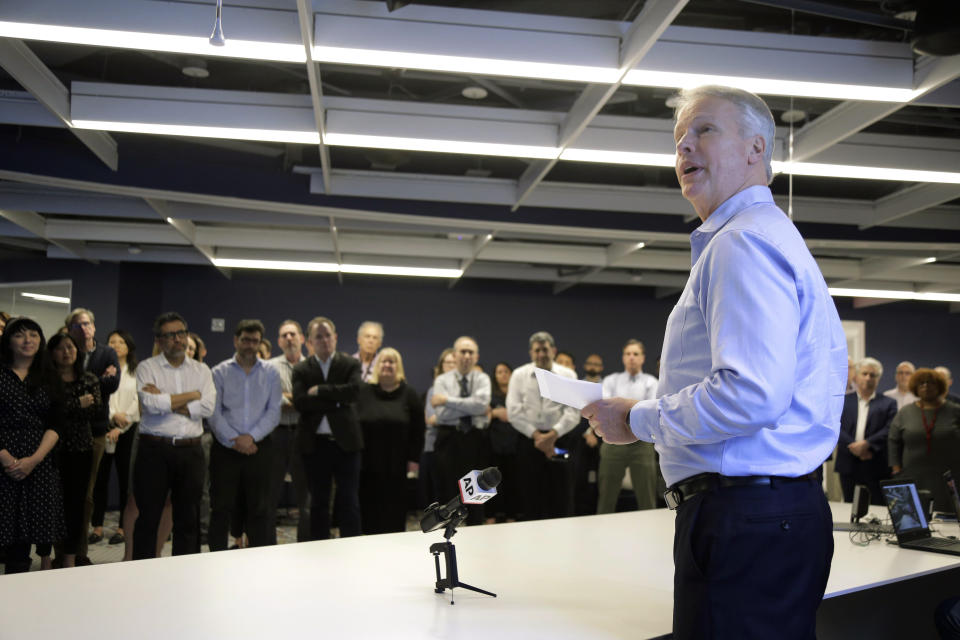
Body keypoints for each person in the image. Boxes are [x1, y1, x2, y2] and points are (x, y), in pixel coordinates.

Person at [582, 85, 846, 639]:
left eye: (704, 130)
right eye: (679, 139)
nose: (684, 148)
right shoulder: (768, 237)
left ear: (756, 148)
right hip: (773, 513)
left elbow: (751, 394)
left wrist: (636, 419)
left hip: (742, 517)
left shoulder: (741, 244)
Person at [133, 312, 215, 559]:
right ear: (159, 340)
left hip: (191, 451)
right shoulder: (147, 367)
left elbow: (208, 407)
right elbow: (149, 404)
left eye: (181, 334)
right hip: (154, 451)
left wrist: (166, 400)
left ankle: (185, 577)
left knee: (188, 519)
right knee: (148, 518)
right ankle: (141, 575)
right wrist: (191, 396)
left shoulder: (201, 371)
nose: (177, 339)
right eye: (170, 335)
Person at [208, 320, 282, 551]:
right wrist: (235, 440)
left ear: (260, 343)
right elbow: (214, 412)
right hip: (225, 448)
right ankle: (214, 560)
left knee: (259, 509)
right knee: (221, 507)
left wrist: (251, 438)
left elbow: (274, 411)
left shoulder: (271, 372)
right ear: (236, 341)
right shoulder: (219, 372)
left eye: (255, 341)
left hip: (259, 448)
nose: (250, 345)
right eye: (245, 340)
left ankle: (257, 562)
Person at [0, 318, 64, 574]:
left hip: (39, 462)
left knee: (28, 537)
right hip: (3, 461)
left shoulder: (50, 376)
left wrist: (34, 459)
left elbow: (57, 423)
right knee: (6, 534)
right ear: (8, 341)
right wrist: (5, 458)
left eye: (34, 335)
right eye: (20, 335)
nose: (28, 340)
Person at [292, 316, 363, 540]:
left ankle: (352, 547)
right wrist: (338, 400)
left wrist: (320, 391)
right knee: (319, 503)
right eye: (318, 337)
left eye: (327, 335)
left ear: (335, 338)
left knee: (349, 501)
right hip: (315, 444)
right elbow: (301, 402)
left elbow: (353, 392)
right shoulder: (302, 369)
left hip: (346, 444)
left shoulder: (350, 364)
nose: (324, 340)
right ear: (309, 342)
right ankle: (319, 549)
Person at [65, 308, 119, 564]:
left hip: (95, 430)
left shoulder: (107, 352)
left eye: (87, 324)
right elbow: (62, 389)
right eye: (78, 325)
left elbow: (112, 385)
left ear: (94, 327)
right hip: (63, 432)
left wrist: (89, 386)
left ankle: (80, 552)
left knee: (86, 494)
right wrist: (98, 380)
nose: (84, 329)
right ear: (70, 329)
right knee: (62, 493)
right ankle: (61, 551)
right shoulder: (64, 352)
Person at [507, 331, 580, 521]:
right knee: (531, 494)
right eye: (537, 350)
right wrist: (537, 436)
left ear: (553, 351)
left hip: (561, 439)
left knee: (562, 493)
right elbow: (514, 412)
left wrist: (553, 435)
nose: (541, 354)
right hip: (529, 441)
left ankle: (564, 538)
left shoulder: (568, 374)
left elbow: (573, 411)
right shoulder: (519, 375)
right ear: (531, 353)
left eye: (545, 349)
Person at [46, 333, 101, 568]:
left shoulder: (88, 379)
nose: (66, 352)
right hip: (49, 450)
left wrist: (67, 408)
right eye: (60, 348)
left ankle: (69, 558)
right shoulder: (45, 379)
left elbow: (95, 411)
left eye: (70, 347)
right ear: (52, 353)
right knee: (48, 503)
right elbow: (48, 412)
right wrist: (77, 404)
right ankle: (47, 557)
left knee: (77, 505)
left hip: (81, 449)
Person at [357, 348, 424, 534]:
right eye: (384, 361)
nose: (387, 365)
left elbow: (418, 431)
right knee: (368, 513)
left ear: (398, 367)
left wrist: (414, 461)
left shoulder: (409, 394)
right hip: (367, 467)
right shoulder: (364, 392)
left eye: (392, 362)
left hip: (398, 467)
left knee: (394, 514)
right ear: (377, 366)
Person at [431, 336, 491, 525]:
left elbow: (481, 406)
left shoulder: (482, 378)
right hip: (449, 439)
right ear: (454, 355)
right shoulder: (442, 380)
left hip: (475, 439)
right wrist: (470, 406)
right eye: (462, 352)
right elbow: (440, 414)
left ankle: (477, 533)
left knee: (478, 492)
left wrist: (448, 400)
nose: (466, 356)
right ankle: (448, 533)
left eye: (470, 352)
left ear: (477, 356)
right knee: (448, 492)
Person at [597, 340, 660, 513]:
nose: (631, 357)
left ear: (643, 358)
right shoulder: (611, 380)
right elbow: (604, 408)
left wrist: (620, 408)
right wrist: (636, 408)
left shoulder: (651, 382)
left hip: (642, 442)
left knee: (647, 496)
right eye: (628, 354)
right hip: (612, 441)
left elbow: (651, 409)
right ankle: (601, 529)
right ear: (623, 358)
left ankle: (650, 528)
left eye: (636, 354)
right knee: (606, 496)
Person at [90, 330, 140, 546]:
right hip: (104, 426)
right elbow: (99, 396)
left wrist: (122, 424)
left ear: (128, 346)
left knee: (125, 481)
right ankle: (97, 526)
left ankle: (121, 527)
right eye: (112, 342)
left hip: (128, 431)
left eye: (121, 342)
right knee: (99, 479)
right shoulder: (103, 368)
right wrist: (112, 418)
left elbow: (139, 400)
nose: (117, 345)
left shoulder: (138, 371)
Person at [889, 368, 960, 513]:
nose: (926, 386)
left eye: (931, 383)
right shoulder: (905, 412)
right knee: (913, 515)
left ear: (940, 386)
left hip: (948, 477)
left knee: (948, 521)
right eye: (921, 383)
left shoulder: (955, 411)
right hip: (912, 475)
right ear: (915, 387)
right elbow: (893, 441)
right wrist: (896, 470)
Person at [267, 320, 311, 542]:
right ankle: (267, 547)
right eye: (284, 335)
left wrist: (291, 397)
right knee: (269, 494)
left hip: (305, 434)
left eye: (293, 334)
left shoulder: (312, 365)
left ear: (302, 338)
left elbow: (314, 400)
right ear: (279, 341)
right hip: (277, 434)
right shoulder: (270, 366)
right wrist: (302, 398)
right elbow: (274, 400)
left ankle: (306, 545)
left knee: (306, 497)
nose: (289, 338)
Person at [835, 357, 897, 505]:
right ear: (856, 376)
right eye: (864, 373)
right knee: (850, 506)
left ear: (878, 379)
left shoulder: (888, 403)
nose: (868, 378)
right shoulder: (843, 400)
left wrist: (867, 444)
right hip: (848, 462)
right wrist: (854, 446)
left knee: (878, 507)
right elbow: (835, 426)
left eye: (873, 375)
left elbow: (889, 428)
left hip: (875, 461)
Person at [419, 347, 454, 509]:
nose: (451, 365)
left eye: (454, 362)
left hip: (457, 446)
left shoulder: (465, 390)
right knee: (438, 495)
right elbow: (431, 419)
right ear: (441, 366)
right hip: (434, 447)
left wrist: (447, 411)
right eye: (448, 362)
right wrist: (462, 412)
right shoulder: (433, 390)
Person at [486, 362, 520, 523]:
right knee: (493, 482)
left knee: (513, 481)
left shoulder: (518, 394)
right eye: (499, 372)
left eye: (506, 371)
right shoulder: (490, 395)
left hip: (515, 445)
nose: (503, 374)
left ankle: (512, 515)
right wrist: (496, 412)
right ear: (495, 376)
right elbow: (483, 416)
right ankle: (491, 515)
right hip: (494, 445)